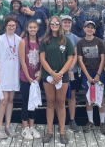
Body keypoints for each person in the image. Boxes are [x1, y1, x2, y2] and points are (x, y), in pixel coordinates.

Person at [40, 16, 74, 144]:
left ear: (60, 25)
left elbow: (70, 59)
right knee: (50, 102)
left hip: (62, 76)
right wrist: (52, 73)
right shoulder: (45, 40)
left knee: (60, 102)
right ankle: (49, 131)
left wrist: (59, 74)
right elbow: (42, 59)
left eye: (56, 23)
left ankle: (62, 132)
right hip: (48, 75)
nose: (54, 25)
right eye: (52, 23)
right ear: (50, 25)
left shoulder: (66, 40)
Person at [0, 16, 22, 139]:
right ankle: (0, 127)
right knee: (3, 100)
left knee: (10, 100)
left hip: (14, 74)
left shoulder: (19, 40)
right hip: (2, 74)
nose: (11, 27)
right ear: (5, 26)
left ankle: (8, 126)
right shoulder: (0, 40)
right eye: (9, 25)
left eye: (13, 25)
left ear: (16, 27)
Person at [77, 21, 105, 135]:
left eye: (92, 28)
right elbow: (80, 60)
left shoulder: (99, 41)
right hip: (87, 73)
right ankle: (90, 121)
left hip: (99, 73)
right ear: (84, 29)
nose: (89, 29)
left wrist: (98, 75)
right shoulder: (80, 43)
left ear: (95, 30)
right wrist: (87, 76)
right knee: (88, 98)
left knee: (101, 98)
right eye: (87, 27)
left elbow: (103, 59)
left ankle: (102, 122)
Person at [18, 20, 42, 140]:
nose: (33, 29)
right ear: (27, 28)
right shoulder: (23, 42)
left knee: (34, 102)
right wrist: (28, 77)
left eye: (35, 27)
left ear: (37, 28)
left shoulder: (41, 42)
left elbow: (43, 61)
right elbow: (22, 61)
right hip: (26, 76)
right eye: (30, 27)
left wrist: (39, 76)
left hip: (37, 77)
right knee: (26, 101)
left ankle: (32, 127)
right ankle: (25, 128)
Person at [61, 15, 80, 132]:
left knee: (72, 96)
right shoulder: (57, 36)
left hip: (72, 71)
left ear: (71, 24)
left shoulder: (75, 38)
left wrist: (71, 66)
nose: (66, 24)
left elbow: (76, 54)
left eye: (68, 22)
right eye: (64, 22)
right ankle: (61, 120)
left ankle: (72, 120)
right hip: (60, 72)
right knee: (61, 97)